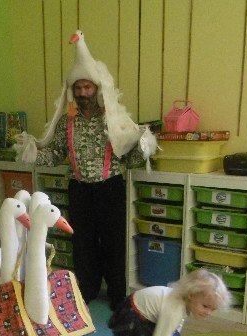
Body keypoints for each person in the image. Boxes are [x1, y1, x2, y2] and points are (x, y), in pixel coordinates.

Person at [15, 31, 156, 310]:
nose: (82, 93)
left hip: (110, 188)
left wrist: (144, 146)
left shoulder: (114, 119)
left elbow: (130, 158)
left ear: (97, 88)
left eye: (87, 87)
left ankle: (117, 295)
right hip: (79, 190)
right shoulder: (67, 122)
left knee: (114, 244)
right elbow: (56, 153)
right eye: (78, 88)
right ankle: (87, 291)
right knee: (83, 243)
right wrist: (34, 154)